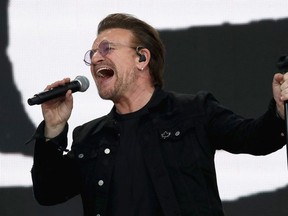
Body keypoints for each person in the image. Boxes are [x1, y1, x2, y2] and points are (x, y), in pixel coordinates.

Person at [31, 13, 288, 216]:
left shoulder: (194, 111)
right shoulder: (89, 136)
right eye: (93, 54)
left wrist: (278, 110)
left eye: (107, 48)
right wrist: (53, 128)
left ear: (142, 58)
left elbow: (256, 138)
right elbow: (49, 192)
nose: (96, 58)